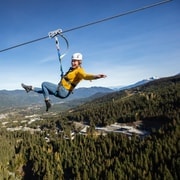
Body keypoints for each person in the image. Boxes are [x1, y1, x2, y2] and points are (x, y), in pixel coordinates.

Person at [21, 53, 107, 111]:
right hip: (61, 90)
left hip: (64, 91)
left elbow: (85, 76)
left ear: (79, 62)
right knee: (44, 89)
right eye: (72, 60)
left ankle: (47, 102)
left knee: (44, 84)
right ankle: (30, 88)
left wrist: (96, 76)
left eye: (75, 61)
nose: (73, 62)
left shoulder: (79, 71)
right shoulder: (72, 70)